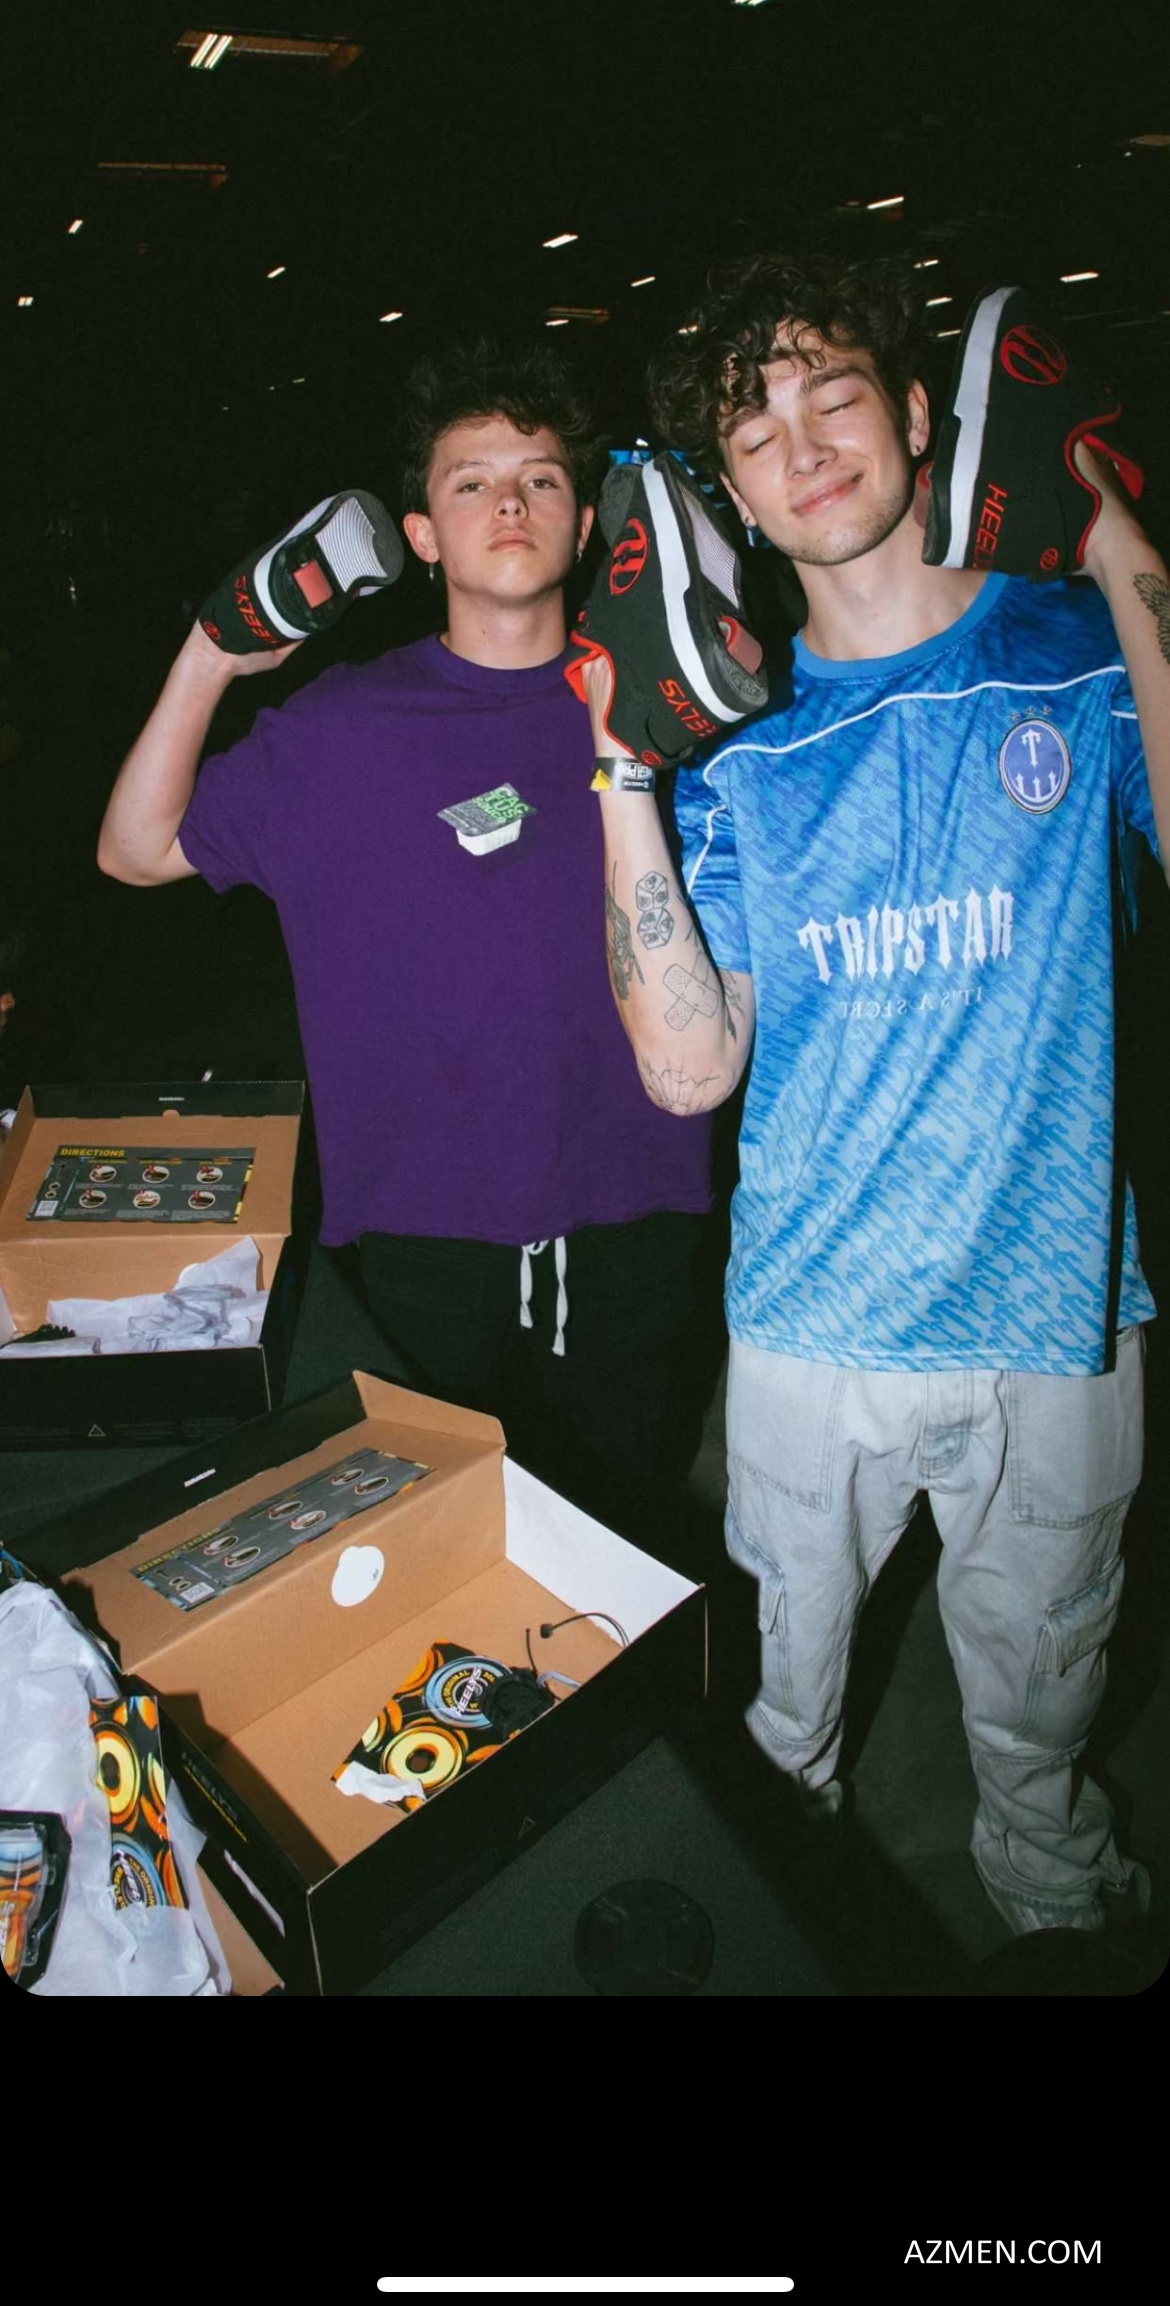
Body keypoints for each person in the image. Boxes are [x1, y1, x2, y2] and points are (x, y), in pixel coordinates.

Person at [578, 252, 1167, 1935]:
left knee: (1042, 1736)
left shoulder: (1075, 651)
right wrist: (618, 761)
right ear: (733, 494)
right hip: (809, 1334)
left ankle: (1060, 1925)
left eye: (831, 393)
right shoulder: (736, 747)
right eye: (753, 429)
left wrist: (1112, 530)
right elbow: (689, 1066)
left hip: (1055, 1322)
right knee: (775, 1737)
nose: (802, 444)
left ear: (917, 415)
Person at [97, 342, 714, 1538]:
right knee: (434, 1536)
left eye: (540, 479)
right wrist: (210, 659)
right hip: (419, 1216)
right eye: (472, 482)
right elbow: (134, 849)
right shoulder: (339, 727)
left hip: (630, 1197)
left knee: (622, 1528)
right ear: (423, 535)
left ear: (586, 523)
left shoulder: (661, 708)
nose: (509, 502)